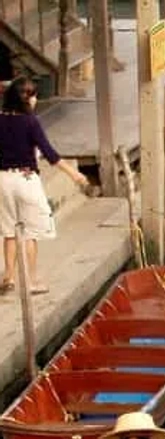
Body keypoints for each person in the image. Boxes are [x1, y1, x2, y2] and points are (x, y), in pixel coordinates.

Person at [0, 76, 88, 294]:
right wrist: (74, 174)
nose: (35, 100)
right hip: (26, 179)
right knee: (30, 233)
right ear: (25, 100)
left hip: (2, 180)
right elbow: (50, 154)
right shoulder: (31, 122)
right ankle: (31, 282)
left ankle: (8, 276)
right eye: (32, 96)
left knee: (8, 231)